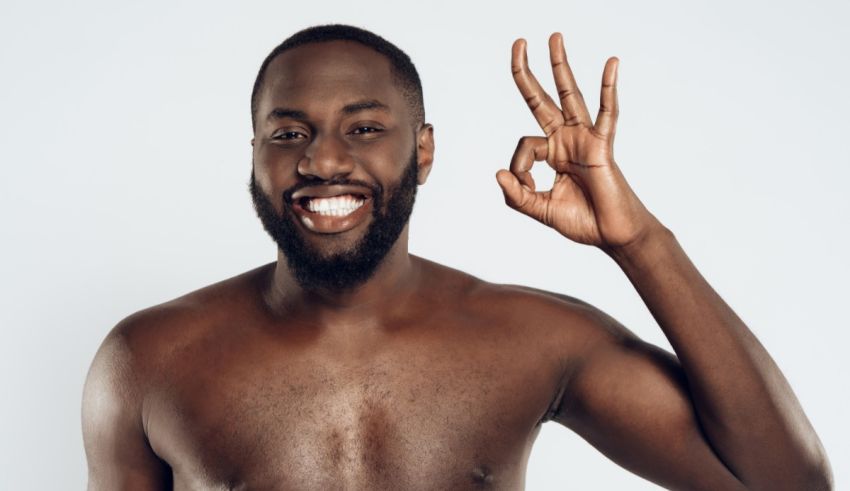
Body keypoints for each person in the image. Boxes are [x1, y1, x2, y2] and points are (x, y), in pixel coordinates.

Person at [81, 24, 832, 490]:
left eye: (365, 127)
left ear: (424, 150)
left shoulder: (532, 340)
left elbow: (789, 483)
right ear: (255, 158)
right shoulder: (148, 358)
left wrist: (638, 241)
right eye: (288, 134)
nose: (323, 161)